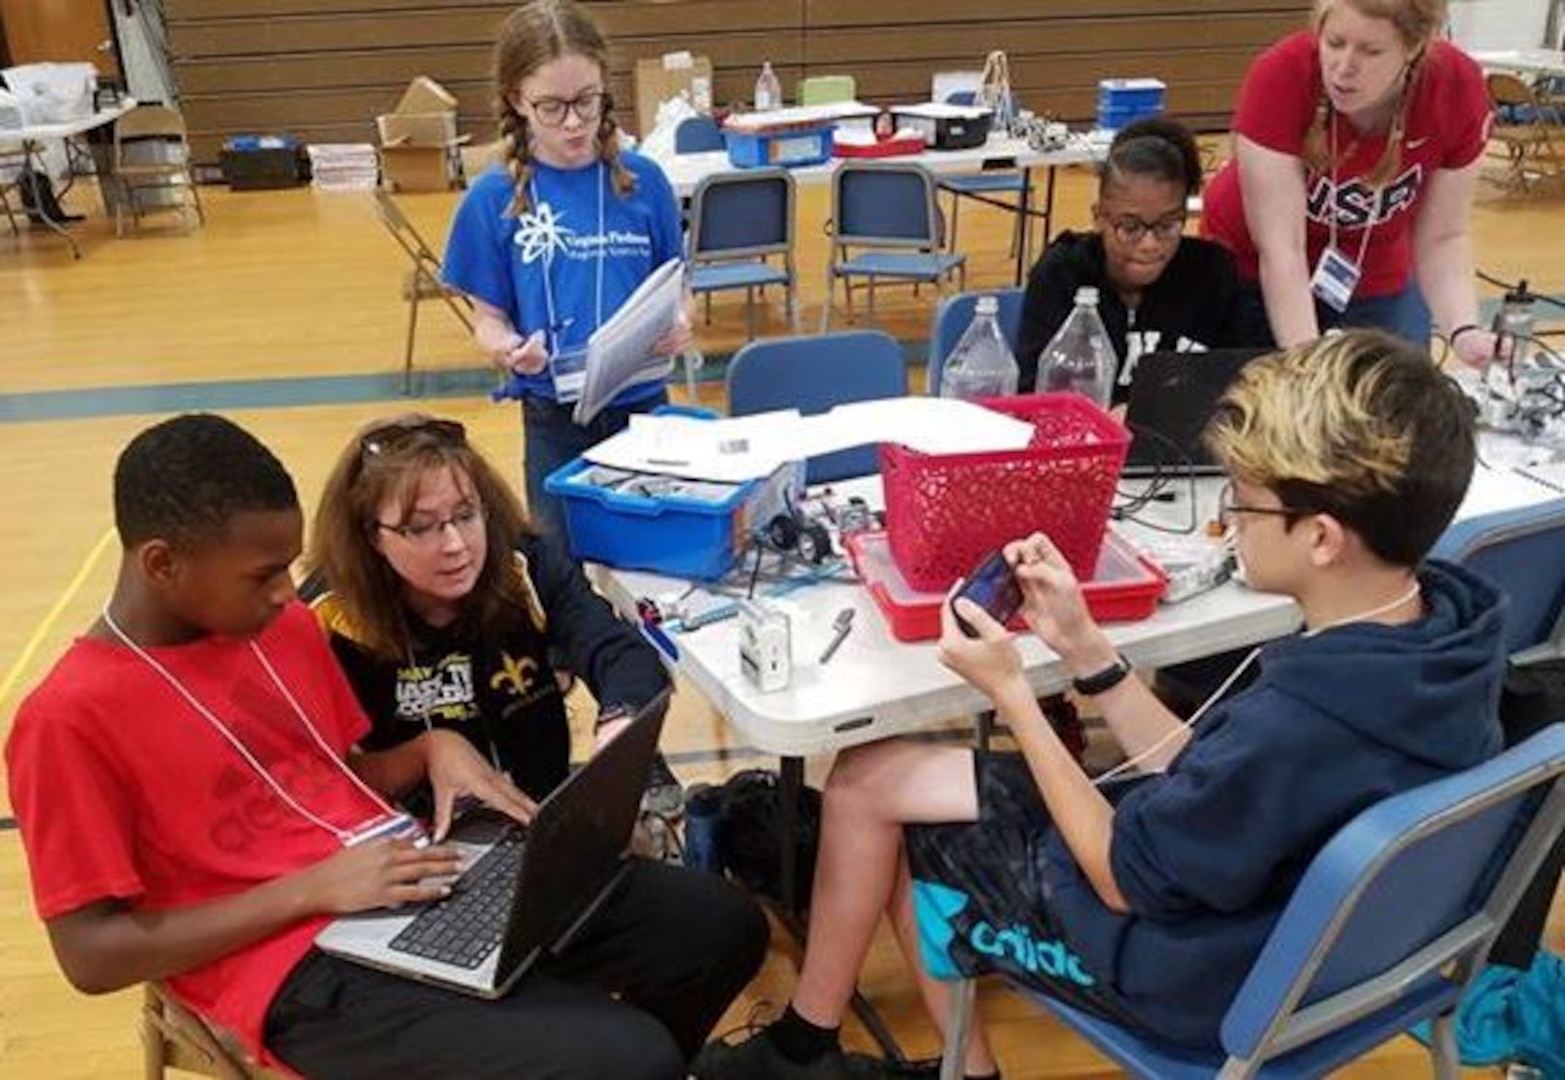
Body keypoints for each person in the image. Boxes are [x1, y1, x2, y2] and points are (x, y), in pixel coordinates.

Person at [691, 330, 1506, 1080]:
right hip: (1316, 946)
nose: (1228, 519)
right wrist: (1089, 655)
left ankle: (942, 1067)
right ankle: (807, 1040)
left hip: (1190, 978)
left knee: (914, 825)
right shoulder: (1444, 640)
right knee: (872, 774)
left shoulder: (1301, 723)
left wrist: (1012, 692)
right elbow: (1210, 779)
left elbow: (1123, 876)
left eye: (1244, 503)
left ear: (1322, 537)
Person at [6, 414, 767, 1080]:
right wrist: (312, 889)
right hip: (290, 967)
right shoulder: (67, 720)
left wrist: (430, 749)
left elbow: (338, 776)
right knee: (623, 1055)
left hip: (409, 879)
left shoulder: (277, 628)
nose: (287, 593)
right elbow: (91, 956)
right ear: (163, 564)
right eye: (265, 575)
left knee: (718, 927)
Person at [305, 413, 678, 812]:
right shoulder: (324, 615)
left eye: (466, 516)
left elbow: (620, 651)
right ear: (371, 535)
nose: (455, 545)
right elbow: (311, 775)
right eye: (421, 527)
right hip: (407, 844)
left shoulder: (525, 564)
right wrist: (423, 755)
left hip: (537, 819)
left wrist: (619, 721)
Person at [443, 0, 693, 536]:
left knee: (654, 553)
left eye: (587, 100)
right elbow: (487, 322)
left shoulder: (645, 182)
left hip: (644, 408)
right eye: (552, 106)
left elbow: (676, 286)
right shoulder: (493, 198)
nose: (575, 121)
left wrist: (681, 322)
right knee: (562, 568)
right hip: (554, 420)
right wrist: (507, 348)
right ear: (517, 99)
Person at [1202, 0, 1499, 364]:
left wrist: (1463, 329)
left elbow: (1443, 237)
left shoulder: (1457, 89)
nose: (1344, 68)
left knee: (1391, 401)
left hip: (1372, 264)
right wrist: (1310, 368)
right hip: (1254, 263)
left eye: (1371, 51)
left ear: (1415, 48)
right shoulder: (1280, 74)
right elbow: (1282, 252)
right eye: (1334, 43)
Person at [1016, 116, 1243, 404]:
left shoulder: (1213, 273)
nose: (1149, 245)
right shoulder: (1062, 273)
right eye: (1130, 228)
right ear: (1099, 217)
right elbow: (1028, 392)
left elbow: (1243, 390)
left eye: (1168, 225)